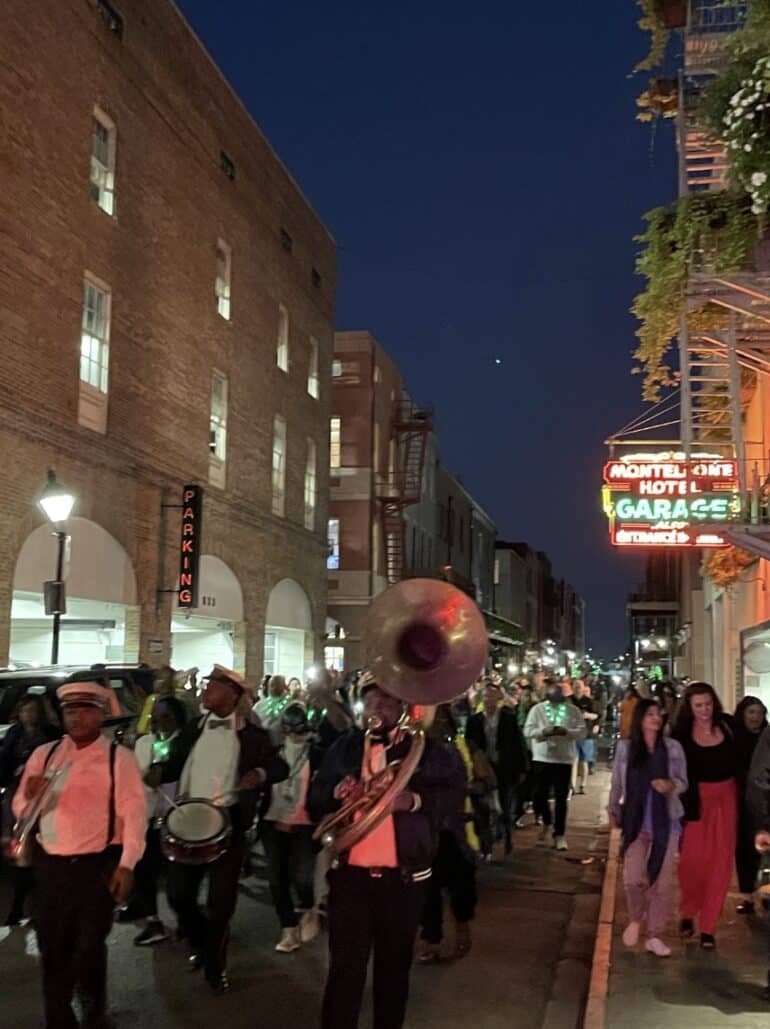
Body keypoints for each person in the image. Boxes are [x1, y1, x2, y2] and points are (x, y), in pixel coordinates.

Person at [308, 679, 465, 1029]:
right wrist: (336, 792)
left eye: (387, 703)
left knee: (394, 972)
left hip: (402, 880)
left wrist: (412, 801)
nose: (377, 710)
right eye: (371, 702)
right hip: (350, 878)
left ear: (403, 708)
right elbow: (316, 799)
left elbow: (455, 793)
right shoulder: (345, 748)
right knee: (345, 971)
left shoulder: (423, 750)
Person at [13, 676, 146, 1029]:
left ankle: (93, 1007)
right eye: (69, 710)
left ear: (100, 713)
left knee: (89, 946)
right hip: (51, 865)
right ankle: (58, 1018)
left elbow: (134, 816)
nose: (76, 718)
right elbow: (19, 808)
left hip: (95, 866)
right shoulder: (46, 755)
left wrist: (128, 864)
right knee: (52, 947)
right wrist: (29, 794)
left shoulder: (120, 759)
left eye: (84, 710)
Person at [164, 665, 288, 994]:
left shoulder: (253, 736)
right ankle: (201, 942)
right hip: (187, 819)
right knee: (179, 897)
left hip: (228, 823)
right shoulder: (193, 728)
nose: (205, 691)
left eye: (212, 686)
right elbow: (173, 764)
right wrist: (154, 770)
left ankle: (215, 966)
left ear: (232, 695)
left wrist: (259, 774)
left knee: (221, 903)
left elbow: (280, 766)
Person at [608, 699, 687, 958]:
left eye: (659, 714)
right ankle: (635, 917)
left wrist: (670, 785)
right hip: (635, 821)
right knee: (632, 879)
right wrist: (612, 811)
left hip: (667, 820)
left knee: (661, 884)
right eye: (650, 714)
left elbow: (683, 782)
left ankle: (655, 935)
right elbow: (617, 785)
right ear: (640, 718)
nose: (656, 718)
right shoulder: (626, 749)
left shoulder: (672, 748)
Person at [672, 681, 738, 949]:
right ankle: (689, 911)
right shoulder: (681, 735)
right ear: (689, 707)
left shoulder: (728, 726)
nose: (705, 710)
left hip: (727, 798)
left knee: (721, 863)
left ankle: (708, 927)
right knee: (692, 863)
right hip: (696, 802)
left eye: (708, 704)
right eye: (698, 705)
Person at [123, 695, 188, 945]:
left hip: (176, 817)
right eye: (156, 718)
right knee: (143, 869)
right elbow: (139, 776)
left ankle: (186, 920)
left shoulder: (184, 744)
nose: (160, 723)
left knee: (177, 879)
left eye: (166, 718)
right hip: (149, 816)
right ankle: (152, 920)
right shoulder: (145, 743)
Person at [418, 703, 479, 963]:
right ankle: (432, 939)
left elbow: (452, 778)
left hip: (451, 829)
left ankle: (462, 930)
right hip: (425, 828)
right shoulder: (417, 747)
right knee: (428, 889)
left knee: (459, 886)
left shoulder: (453, 749)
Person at [261, 702, 322, 953]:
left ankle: (308, 908)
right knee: (276, 879)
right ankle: (287, 927)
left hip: (305, 823)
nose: (293, 733)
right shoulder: (274, 754)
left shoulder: (318, 755)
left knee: (303, 877)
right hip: (273, 821)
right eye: (289, 728)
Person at [0, 693, 61, 926]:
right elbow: (5, 763)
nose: (29, 715)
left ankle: (36, 909)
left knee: (41, 857)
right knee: (20, 854)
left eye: (33, 710)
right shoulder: (15, 734)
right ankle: (17, 907)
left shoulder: (51, 735)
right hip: (19, 798)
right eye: (25, 710)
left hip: (44, 799)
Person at [466, 683, 529, 855]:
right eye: (485, 696)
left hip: (505, 769)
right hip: (484, 770)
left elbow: (519, 744)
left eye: (492, 696)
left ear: (499, 699)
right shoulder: (474, 721)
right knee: (483, 809)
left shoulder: (508, 718)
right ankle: (487, 847)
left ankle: (507, 837)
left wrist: (522, 769)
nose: (488, 700)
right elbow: (469, 744)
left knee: (506, 806)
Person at [524, 680, 586, 851]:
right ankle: (547, 820)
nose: (556, 703)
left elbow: (582, 731)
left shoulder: (572, 711)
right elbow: (527, 731)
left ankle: (559, 834)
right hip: (541, 758)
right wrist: (543, 732)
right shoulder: (538, 710)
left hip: (563, 759)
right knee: (539, 795)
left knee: (561, 799)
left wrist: (567, 732)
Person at [733, 695, 768, 914]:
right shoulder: (736, 738)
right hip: (742, 801)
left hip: (765, 801)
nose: (755, 717)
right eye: (751, 712)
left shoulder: (767, 737)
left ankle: (765, 893)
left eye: (759, 712)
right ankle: (747, 896)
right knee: (745, 849)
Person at [570, 680, 601, 794]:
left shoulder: (589, 702)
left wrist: (588, 716)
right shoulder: (568, 700)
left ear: (583, 688)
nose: (577, 689)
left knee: (584, 761)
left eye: (579, 687)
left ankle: (583, 785)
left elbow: (597, 715)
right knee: (573, 760)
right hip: (572, 734)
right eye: (575, 686)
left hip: (586, 735)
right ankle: (572, 786)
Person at [253, 674, 290, 743]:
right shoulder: (260, 705)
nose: (273, 687)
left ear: (284, 686)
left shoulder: (290, 704)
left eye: (276, 684)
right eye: (271, 685)